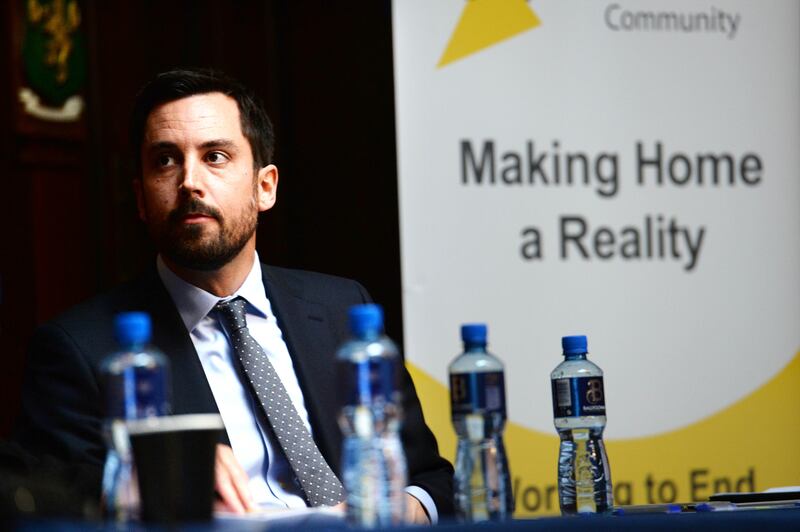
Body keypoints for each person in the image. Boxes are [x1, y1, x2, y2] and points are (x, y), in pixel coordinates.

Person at [14, 68, 453, 523]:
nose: (189, 181)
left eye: (215, 156)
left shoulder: (344, 309)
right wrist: (155, 478)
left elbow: (430, 478)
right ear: (141, 200)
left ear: (265, 187)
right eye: (165, 160)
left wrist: (398, 514)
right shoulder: (81, 348)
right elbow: (43, 495)